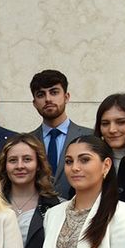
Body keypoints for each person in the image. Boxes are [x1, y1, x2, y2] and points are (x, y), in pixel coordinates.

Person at [28, 70, 92, 198]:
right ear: (34, 103)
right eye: (41, 95)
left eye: (54, 92)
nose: (48, 99)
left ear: (66, 97)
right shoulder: (27, 142)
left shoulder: (90, 137)